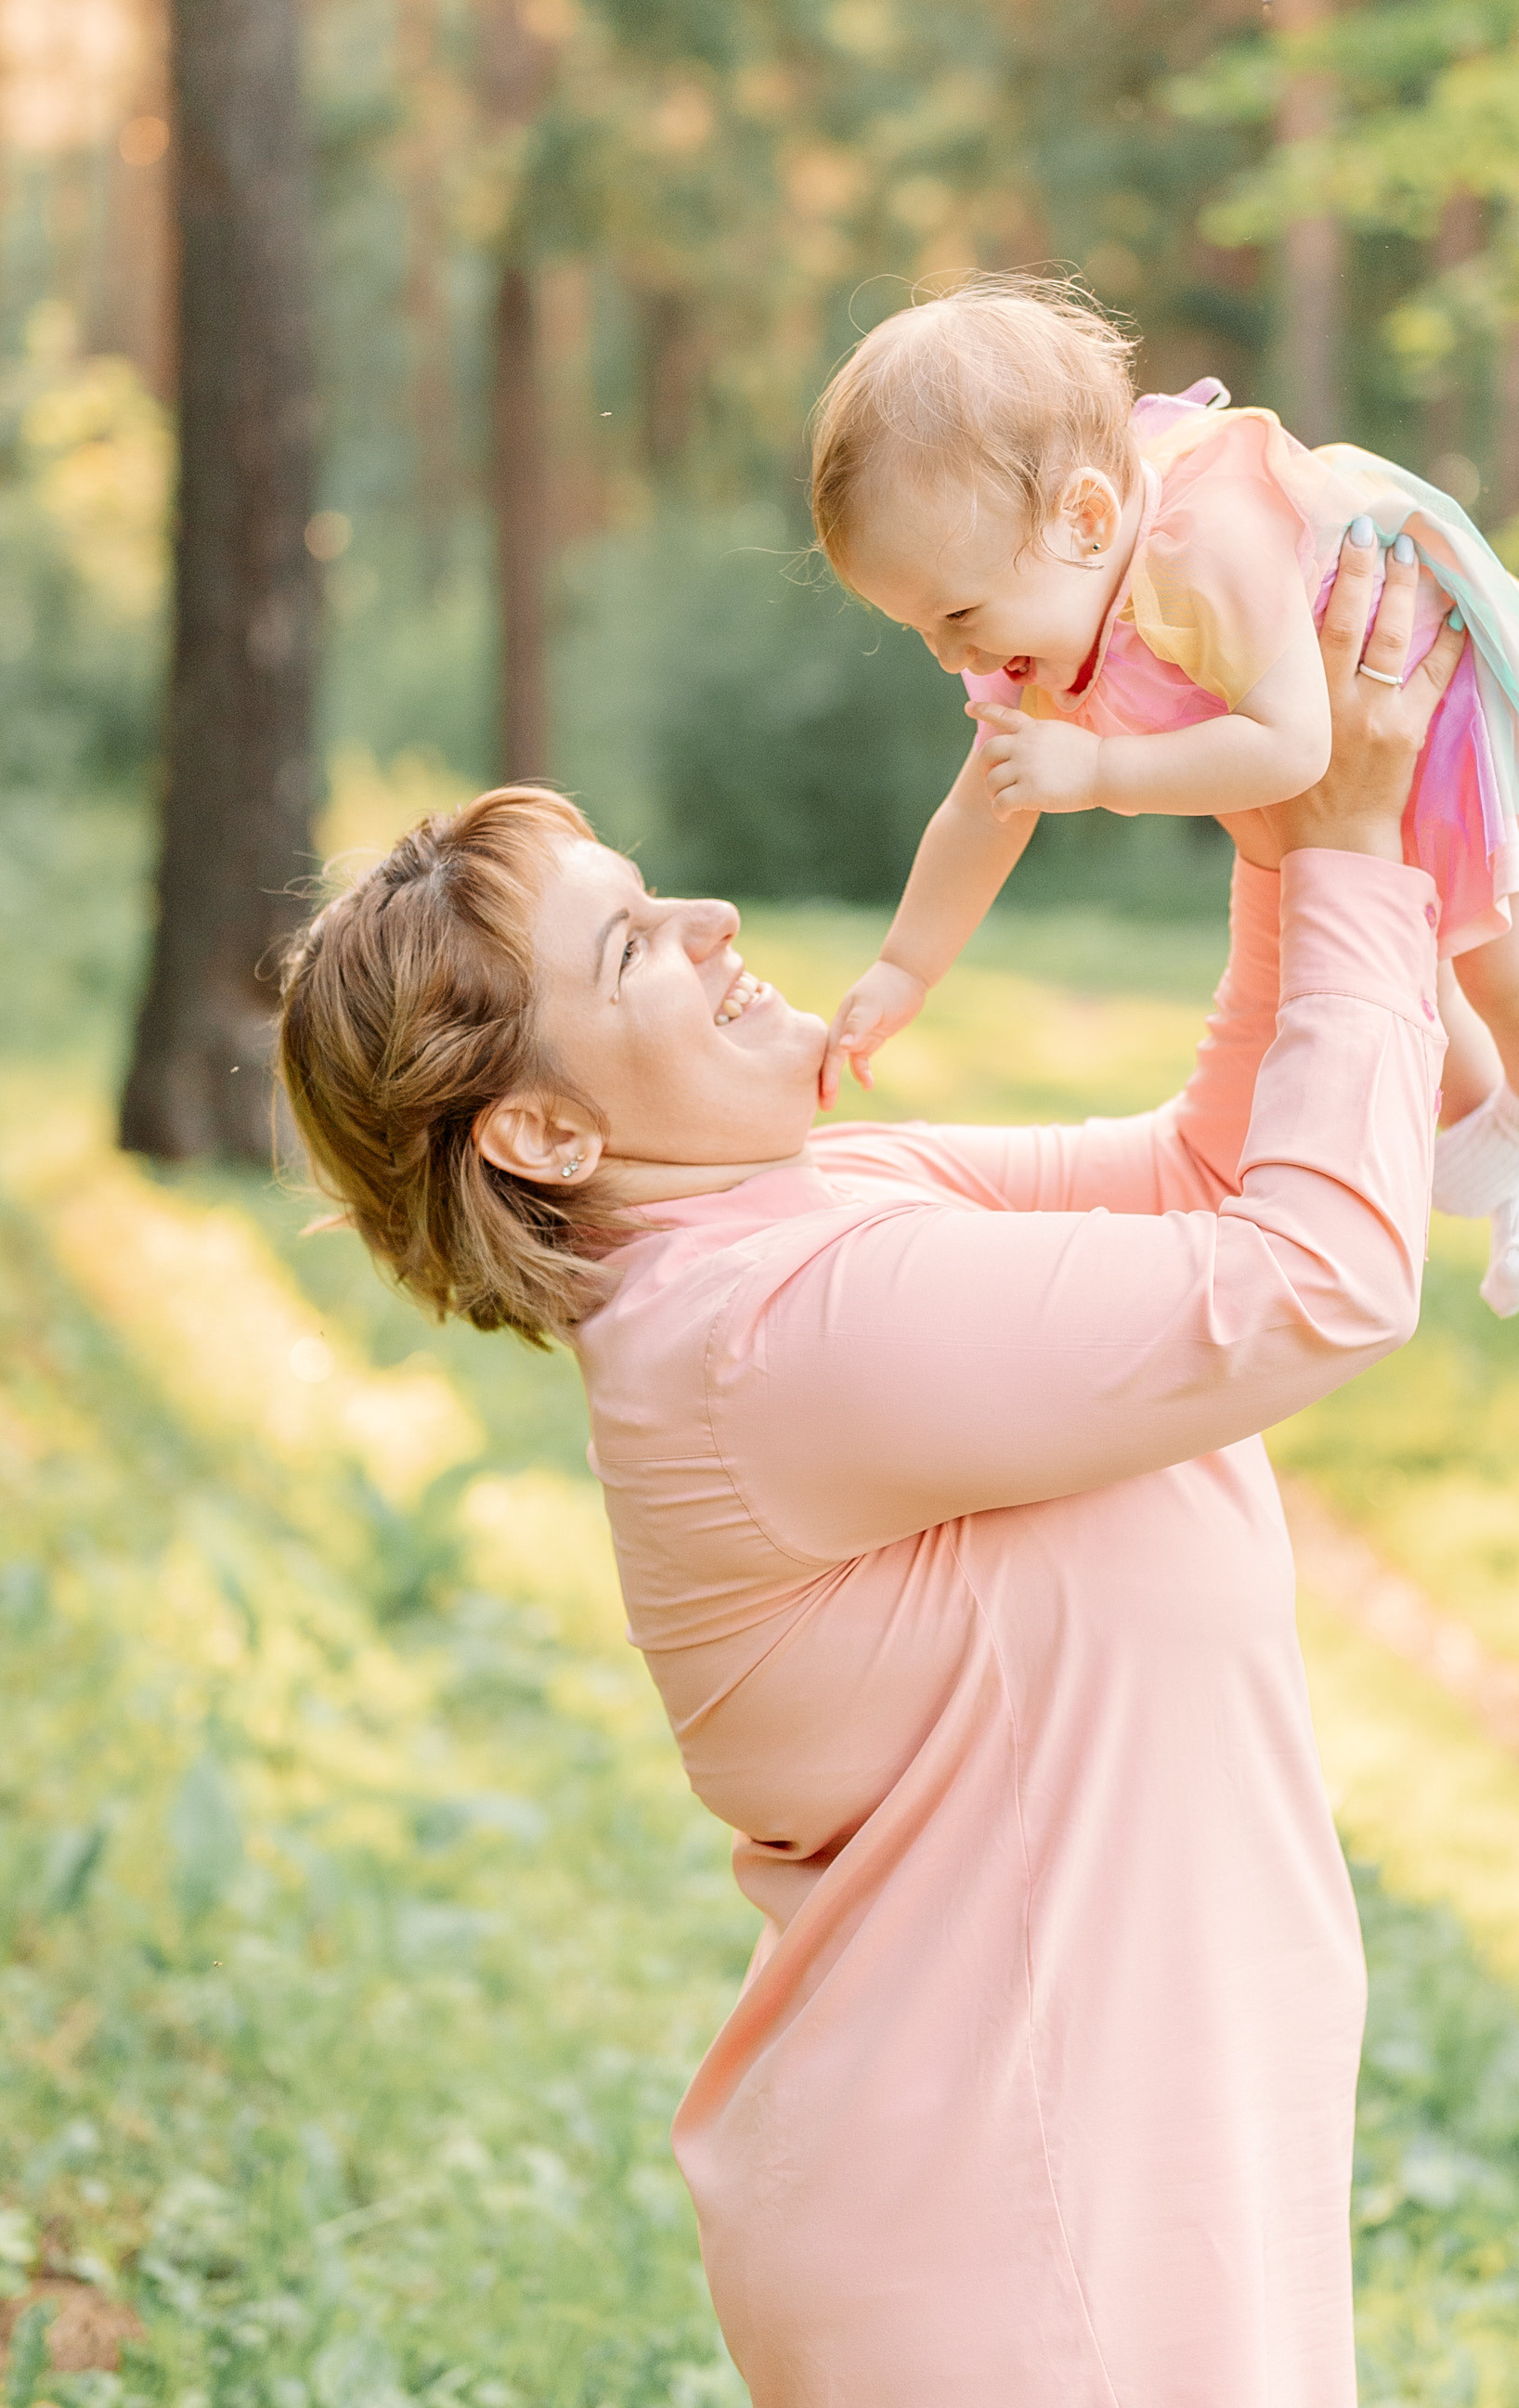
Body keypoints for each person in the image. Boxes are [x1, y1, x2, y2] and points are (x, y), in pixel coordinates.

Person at [276, 532, 1453, 2408]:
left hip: (1134, 2166)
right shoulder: (771, 1336)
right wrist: (1354, 859)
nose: (714, 920)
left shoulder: (819, 1201)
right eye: (633, 945)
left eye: (658, 895)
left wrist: (1275, 820)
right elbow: (1308, 1282)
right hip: (1017, 2241)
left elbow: (1208, 1168)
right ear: (546, 1132)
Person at [812, 278, 1519, 1316]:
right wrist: (905, 967)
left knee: (1507, 971)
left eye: (958, 615)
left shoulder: (1206, 546)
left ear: (1087, 517)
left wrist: (1099, 772)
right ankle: (1515, 1171)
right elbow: (983, 807)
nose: (948, 656)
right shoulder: (1044, 612)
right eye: (919, 629)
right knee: (1421, 977)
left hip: (1482, 734)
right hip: (1386, 786)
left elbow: (1294, 746)